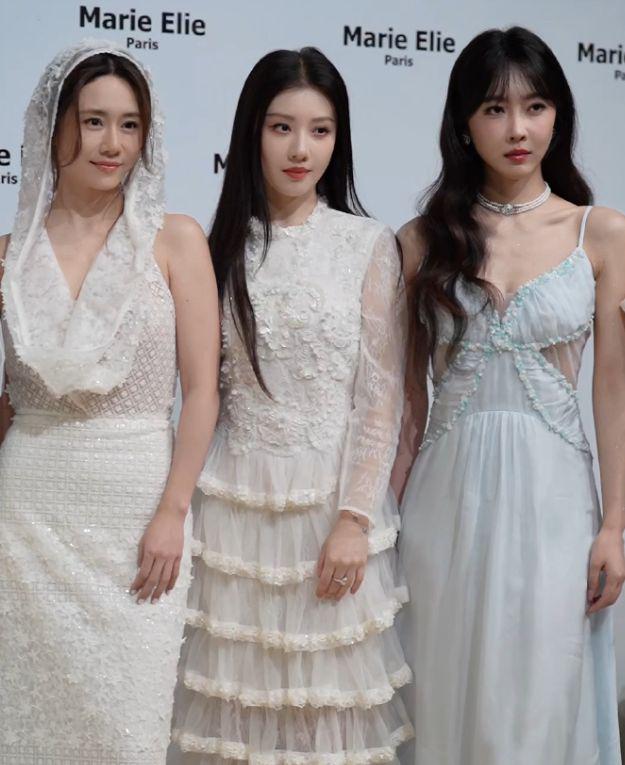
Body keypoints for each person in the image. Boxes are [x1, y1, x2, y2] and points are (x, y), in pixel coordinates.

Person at [171, 47, 413, 763]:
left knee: (325, 712)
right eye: (281, 127)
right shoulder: (213, 248)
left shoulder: (366, 244)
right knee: (231, 713)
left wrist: (354, 519)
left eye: (320, 130)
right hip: (231, 508)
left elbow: (381, 399)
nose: (301, 149)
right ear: (252, 132)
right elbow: (197, 391)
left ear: (339, 139)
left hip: (329, 504)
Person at [395, 26, 625, 765]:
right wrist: (380, 518)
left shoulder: (601, 234)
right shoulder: (422, 239)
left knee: (541, 702)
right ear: (465, 123)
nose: (517, 128)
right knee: (438, 692)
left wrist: (615, 525)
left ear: (558, 116)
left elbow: (613, 392)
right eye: (494, 109)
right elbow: (403, 402)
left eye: (535, 107)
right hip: (442, 502)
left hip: (557, 505)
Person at [0, 41, 220, 763]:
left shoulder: (175, 239)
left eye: (129, 125)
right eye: (93, 121)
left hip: (138, 515)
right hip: (24, 516)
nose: (112, 143)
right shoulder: (8, 253)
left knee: (127, 727)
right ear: (55, 126)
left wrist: (172, 512)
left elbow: (202, 393)